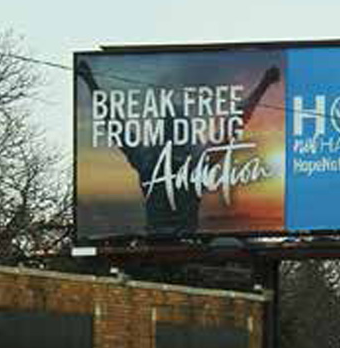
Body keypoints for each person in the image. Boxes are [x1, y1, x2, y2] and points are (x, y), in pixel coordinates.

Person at [77, 58, 280, 238]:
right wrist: (264, 84)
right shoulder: (195, 163)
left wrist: (91, 82)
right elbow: (235, 122)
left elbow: (115, 123)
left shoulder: (148, 161)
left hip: (157, 241)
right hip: (183, 241)